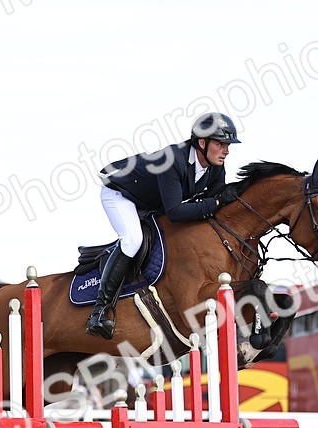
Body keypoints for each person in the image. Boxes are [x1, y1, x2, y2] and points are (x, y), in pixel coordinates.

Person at [87, 112, 243, 339]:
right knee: (133, 240)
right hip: (121, 194)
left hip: (152, 201)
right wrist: (217, 202)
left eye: (227, 145)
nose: (226, 151)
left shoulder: (216, 167)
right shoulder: (173, 160)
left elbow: (214, 201)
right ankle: (100, 311)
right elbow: (176, 212)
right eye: (221, 144)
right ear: (202, 143)